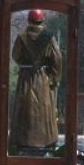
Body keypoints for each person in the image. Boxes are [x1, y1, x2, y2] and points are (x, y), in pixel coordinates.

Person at [9, 9, 62, 152]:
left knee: (24, 109)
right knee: (44, 111)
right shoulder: (49, 37)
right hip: (43, 78)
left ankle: (23, 139)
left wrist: (25, 64)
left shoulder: (22, 37)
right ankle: (46, 141)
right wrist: (54, 79)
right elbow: (57, 59)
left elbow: (15, 55)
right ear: (42, 20)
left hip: (26, 78)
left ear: (29, 20)